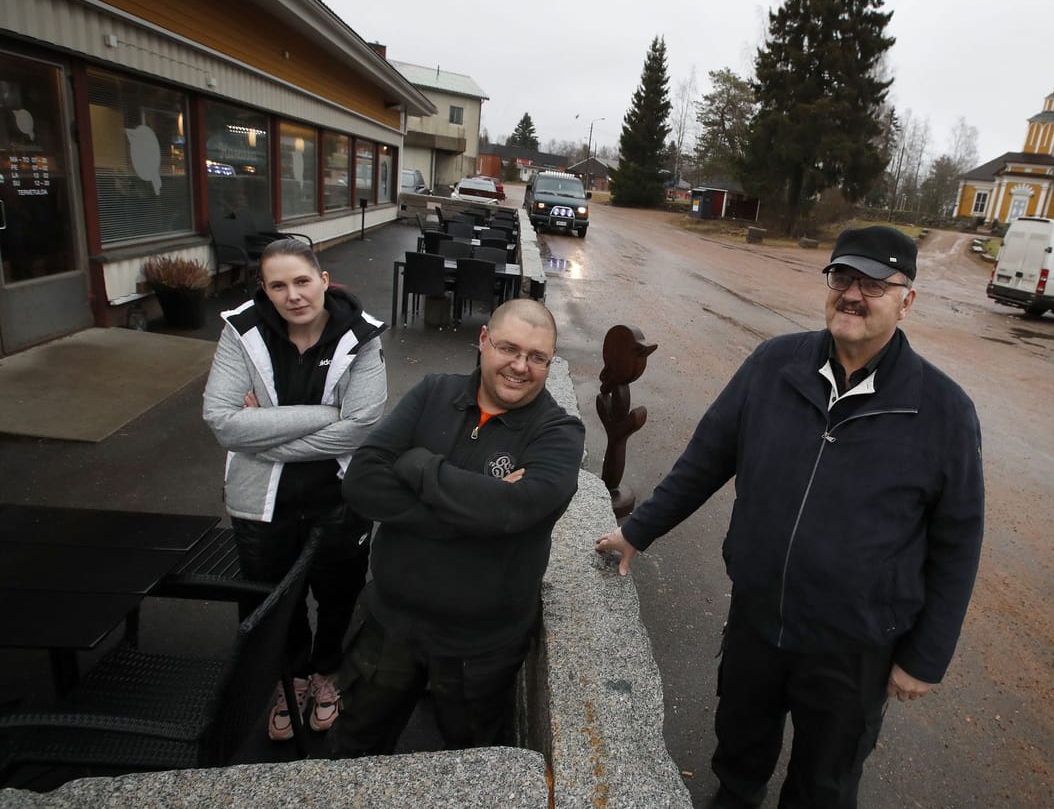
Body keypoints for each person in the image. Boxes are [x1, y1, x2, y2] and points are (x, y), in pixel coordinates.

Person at [595, 226, 985, 808]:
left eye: (875, 284)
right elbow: (706, 459)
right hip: (760, 619)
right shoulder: (775, 364)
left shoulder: (943, 411)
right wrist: (637, 531)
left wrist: (925, 657)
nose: (853, 294)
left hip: (855, 646)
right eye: (843, 277)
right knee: (739, 753)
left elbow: (957, 542)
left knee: (824, 783)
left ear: (908, 300)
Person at [330, 298, 585, 756]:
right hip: (391, 622)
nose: (520, 366)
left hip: (482, 647)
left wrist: (419, 466)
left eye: (537, 357)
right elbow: (363, 481)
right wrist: (477, 516)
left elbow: (521, 510)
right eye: (509, 348)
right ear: (483, 340)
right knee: (355, 747)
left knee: (471, 761)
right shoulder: (433, 393)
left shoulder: (559, 433)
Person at [202, 238, 387, 741]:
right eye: (278, 285)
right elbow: (222, 421)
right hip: (261, 500)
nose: (293, 295)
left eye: (302, 281)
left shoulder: (361, 336)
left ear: (324, 281)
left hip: (340, 497)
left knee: (338, 593)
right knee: (275, 598)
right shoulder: (242, 331)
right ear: (264, 289)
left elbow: (363, 425)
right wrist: (327, 416)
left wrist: (262, 431)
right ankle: (292, 677)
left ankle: (325, 673)